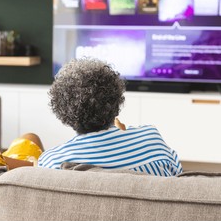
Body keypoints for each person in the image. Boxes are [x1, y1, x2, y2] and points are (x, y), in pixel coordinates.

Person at [37, 58, 183, 177]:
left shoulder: (53, 163)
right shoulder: (152, 139)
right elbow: (178, 175)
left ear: (62, 111)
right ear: (117, 100)